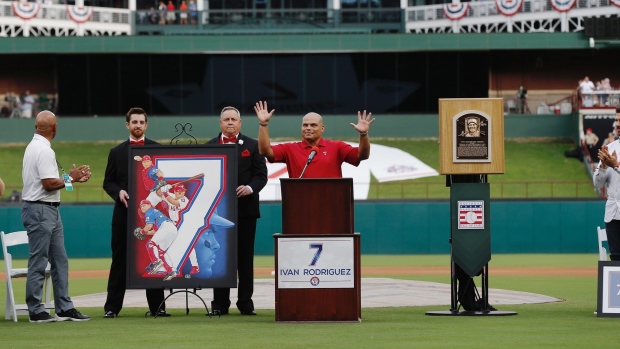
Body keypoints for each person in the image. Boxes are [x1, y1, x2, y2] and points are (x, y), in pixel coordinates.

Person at [21, 110, 91, 323]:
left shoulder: (34, 147)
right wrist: (73, 177)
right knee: (39, 260)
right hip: (41, 209)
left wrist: (72, 180)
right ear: (55, 128)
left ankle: (64, 307)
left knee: (59, 260)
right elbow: (49, 184)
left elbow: (53, 185)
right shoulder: (44, 151)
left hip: (48, 208)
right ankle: (35, 310)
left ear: (36, 127)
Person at [102, 107, 168, 319]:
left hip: (151, 214)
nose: (138, 125)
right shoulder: (117, 152)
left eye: (141, 122)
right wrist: (118, 191)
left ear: (146, 125)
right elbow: (108, 182)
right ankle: (112, 308)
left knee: (153, 255)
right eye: (134, 122)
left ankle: (158, 307)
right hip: (123, 215)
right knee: (119, 260)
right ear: (127, 125)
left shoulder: (157, 150)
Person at [206, 106, 267, 315]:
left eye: (234, 119)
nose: (230, 122)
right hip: (218, 214)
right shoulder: (210, 147)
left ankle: (245, 303)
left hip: (246, 211)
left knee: (245, 258)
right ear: (220, 123)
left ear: (240, 123)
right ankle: (220, 305)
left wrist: (249, 188)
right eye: (226, 119)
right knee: (219, 257)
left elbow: (261, 175)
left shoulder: (253, 145)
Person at [254, 100, 375, 179]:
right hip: (301, 205)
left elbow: (362, 155)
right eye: (305, 125)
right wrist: (263, 124)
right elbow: (265, 151)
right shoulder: (290, 149)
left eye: (313, 125)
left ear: (322, 128)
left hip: (330, 204)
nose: (308, 128)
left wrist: (363, 134)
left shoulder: (337, 147)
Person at [594, 106, 620, 262]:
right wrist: (603, 167)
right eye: (616, 120)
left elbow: (616, 166)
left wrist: (615, 165)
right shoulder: (609, 148)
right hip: (612, 212)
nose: (617, 124)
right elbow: (597, 184)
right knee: (616, 259)